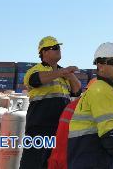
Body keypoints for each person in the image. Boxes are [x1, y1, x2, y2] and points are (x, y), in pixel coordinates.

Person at [19, 36, 82, 169]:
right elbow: (34, 80)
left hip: (59, 128)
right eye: (55, 48)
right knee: (32, 163)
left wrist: (70, 75)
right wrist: (62, 72)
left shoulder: (63, 74)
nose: (59, 50)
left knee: (53, 163)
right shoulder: (36, 70)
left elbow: (77, 91)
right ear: (44, 52)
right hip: (38, 128)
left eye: (59, 47)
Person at [67, 42, 113, 168]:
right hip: (95, 159)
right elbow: (108, 132)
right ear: (100, 65)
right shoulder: (101, 90)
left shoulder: (106, 88)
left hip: (90, 157)